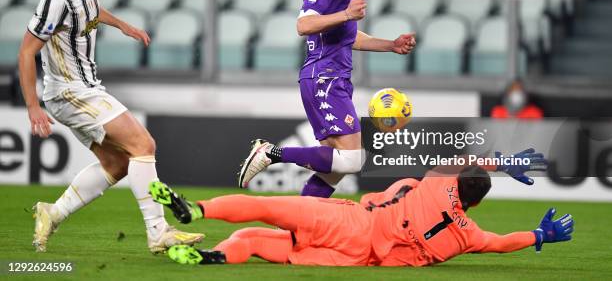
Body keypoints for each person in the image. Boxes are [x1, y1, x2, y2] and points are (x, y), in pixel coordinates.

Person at [18, 0, 203, 253]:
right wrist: (33, 106)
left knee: (118, 164)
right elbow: (26, 51)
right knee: (143, 143)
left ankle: (53, 212)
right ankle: (158, 231)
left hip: (85, 88)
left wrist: (122, 25)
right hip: (68, 91)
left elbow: (90, 13)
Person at [239, 0, 417, 197]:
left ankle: (299, 231)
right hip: (325, 77)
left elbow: (348, 37)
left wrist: (391, 45)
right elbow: (304, 24)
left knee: (333, 170)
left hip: (336, 78)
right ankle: (271, 152)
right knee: (352, 159)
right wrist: (346, 13)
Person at [151, 149, 572, 267]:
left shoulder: (433, 182)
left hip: (352, 220)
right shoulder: (468, 236)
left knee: (267, 211)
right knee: (261, 244)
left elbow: (465, 162)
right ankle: (214, 257)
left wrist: (505, 162)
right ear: (475, 203)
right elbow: (500, 243)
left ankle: (198, 210)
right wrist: (540, 236)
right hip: (357, 257)